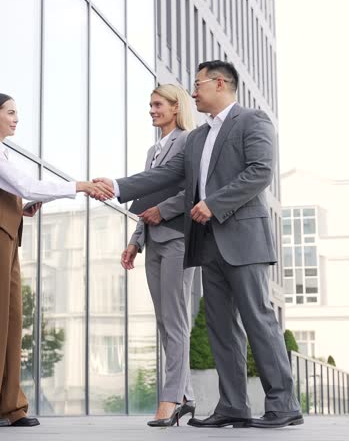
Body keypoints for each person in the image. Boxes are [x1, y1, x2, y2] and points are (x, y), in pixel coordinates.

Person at [95, 61, 302, 429]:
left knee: (258, 320)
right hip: (208, 243)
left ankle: (283, 404)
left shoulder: (252, 121)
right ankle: (233, 405)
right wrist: (116, 185)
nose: (193, 92)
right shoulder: (198, 138)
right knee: (220, 327)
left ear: (219, 83)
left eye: (198, 84)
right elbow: (165, 175)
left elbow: (259, 172)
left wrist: (214, 203)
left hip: (243, 239)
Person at [0, 93, 112, 427]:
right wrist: (81, 186)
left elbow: (15, 190)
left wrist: (22, 208)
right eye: (10, 113)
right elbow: (26, 184)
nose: (16, 119)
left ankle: (9, 406)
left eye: (17, 113)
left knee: (11, 321)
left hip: (8, 236)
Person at [121, 84, 197, 427]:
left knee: (176, 320)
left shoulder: (188, 141)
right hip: (153, 241)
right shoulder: (153, 151)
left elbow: (193, 191)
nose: (151, 110)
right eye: (150, 105)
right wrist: (135, 240)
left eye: (157, 104)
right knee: (165, 321)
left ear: (175, 106)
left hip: (178, 239)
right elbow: (146, 197)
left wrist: (163, 211)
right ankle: (186, 396)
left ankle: (170, 399)